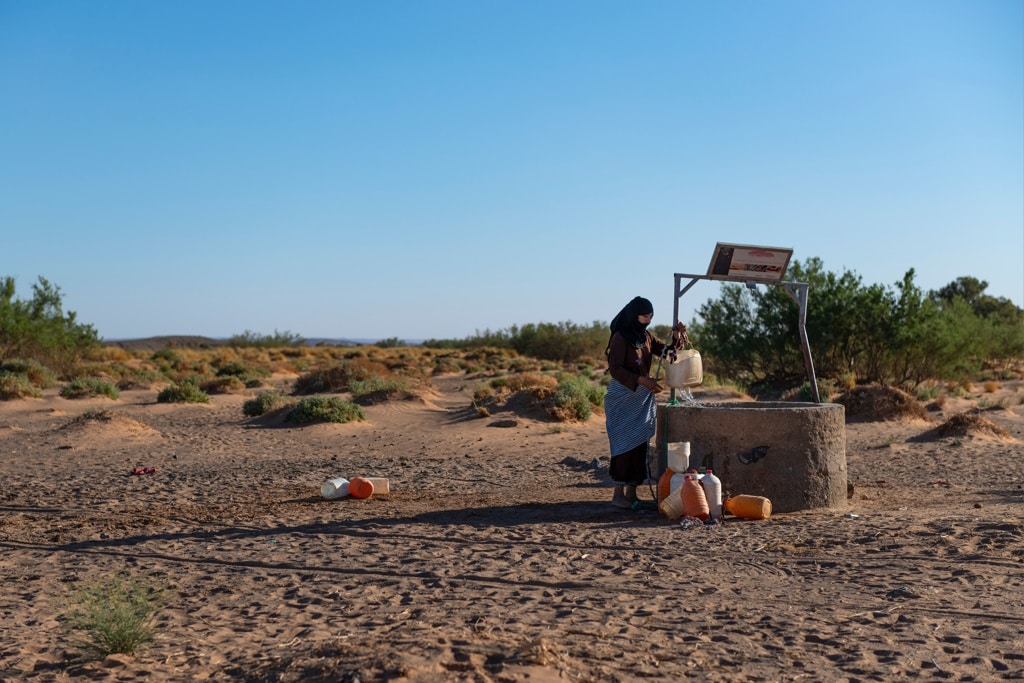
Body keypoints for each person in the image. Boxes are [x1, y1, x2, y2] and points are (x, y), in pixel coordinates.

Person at [604, 296, 687, 509]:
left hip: (640, 397)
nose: (647, 321)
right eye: (644, 317)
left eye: (650, 317)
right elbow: (616, 369)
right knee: (623, 446)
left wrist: (678, 338)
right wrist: (642, 380)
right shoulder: (621, 337)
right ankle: (618, 495)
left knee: (639, 444)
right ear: (634, 315)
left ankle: (632, 493)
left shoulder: (646, 337)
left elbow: (668, 354)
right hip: (623, 397)